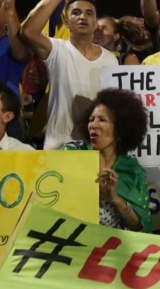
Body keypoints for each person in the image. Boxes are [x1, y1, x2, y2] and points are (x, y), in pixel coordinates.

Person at [21, 0, 120, 150]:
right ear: (66, 22)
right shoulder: (57, 50)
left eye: (89, 13)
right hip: (58, 148)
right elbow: (28, 31)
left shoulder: (110, 61)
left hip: (94, 149)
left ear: (95, 22)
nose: (83, 17)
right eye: (76, 13)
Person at [61, 88, 150, 231]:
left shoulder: (132, 170)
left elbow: (140, 227)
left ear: (120, 130)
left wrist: (115, 199)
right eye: (91, 119)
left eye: (102, 120)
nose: (93, 125)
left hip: (113, 247)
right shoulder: (72, 152)